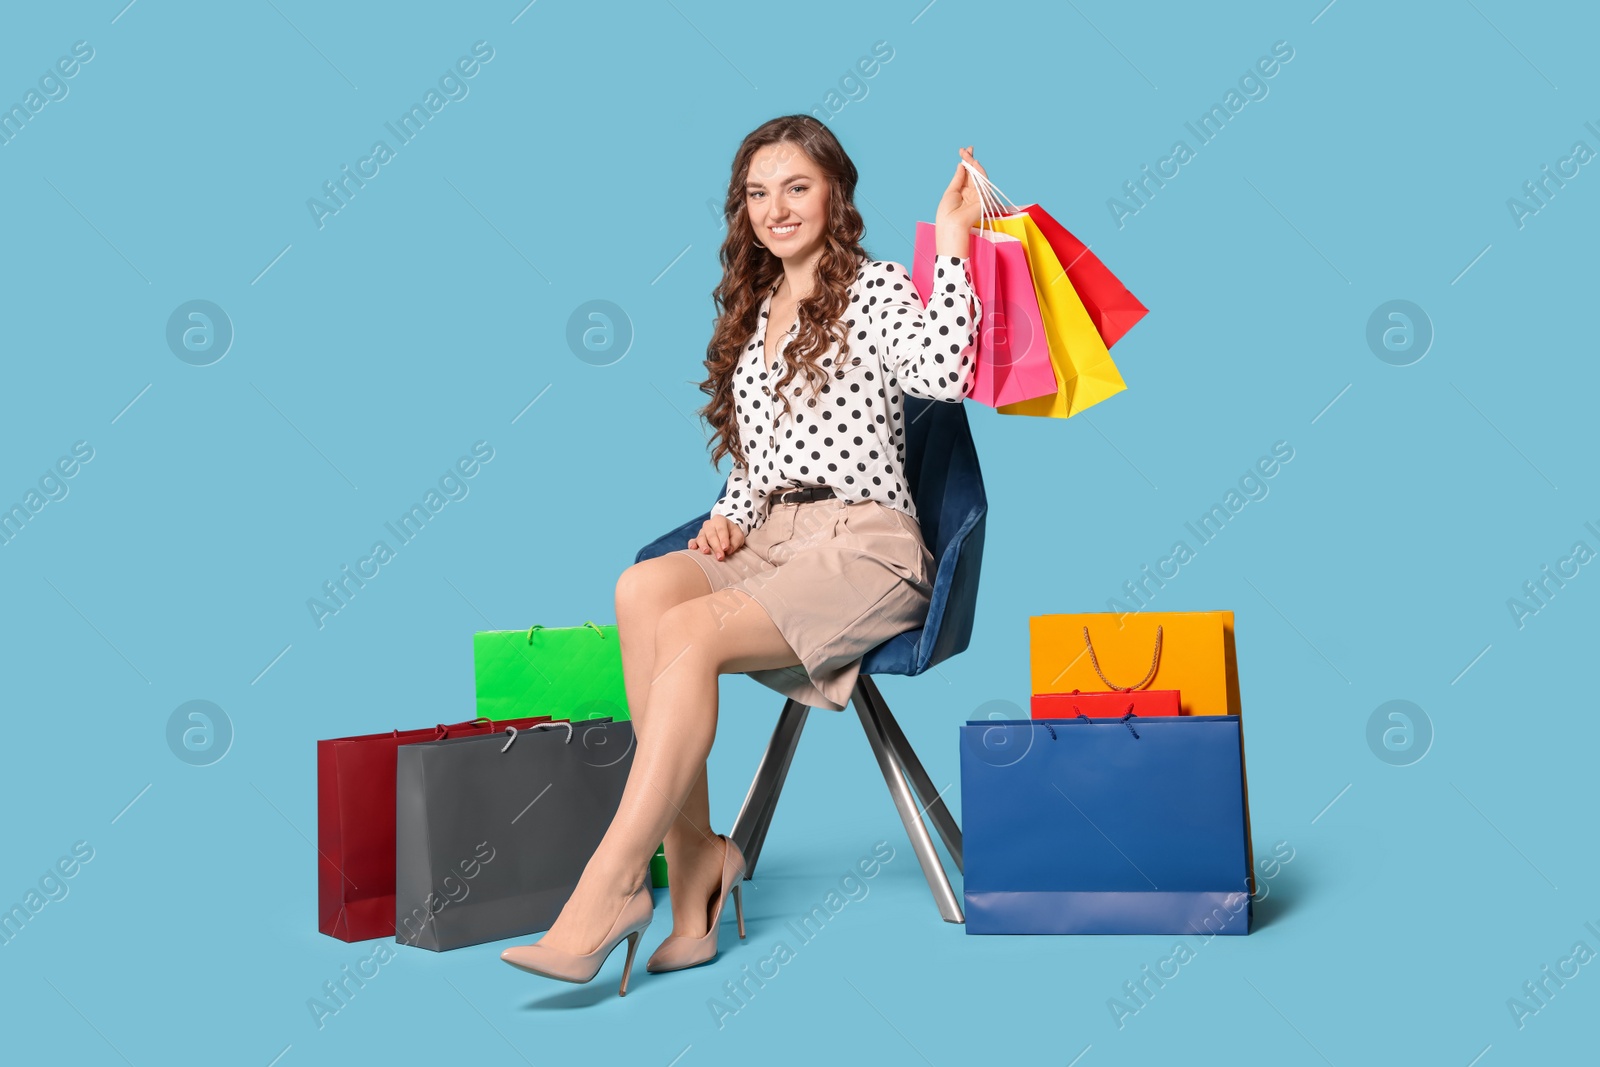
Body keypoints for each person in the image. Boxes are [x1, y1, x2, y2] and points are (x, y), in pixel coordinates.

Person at [501, 114, 987, 995]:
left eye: (796, 186)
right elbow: (759, 467)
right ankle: (695, 878)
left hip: (865, 545)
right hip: (772, 540)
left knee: (688, 634)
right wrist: (729, 515)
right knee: (644, 588)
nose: (776, 208)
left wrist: (950, 241)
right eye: (758, 194)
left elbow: (947, 374)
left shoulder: (876, 290)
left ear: (835, 192)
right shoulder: (755, 313)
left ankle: (609, 884)